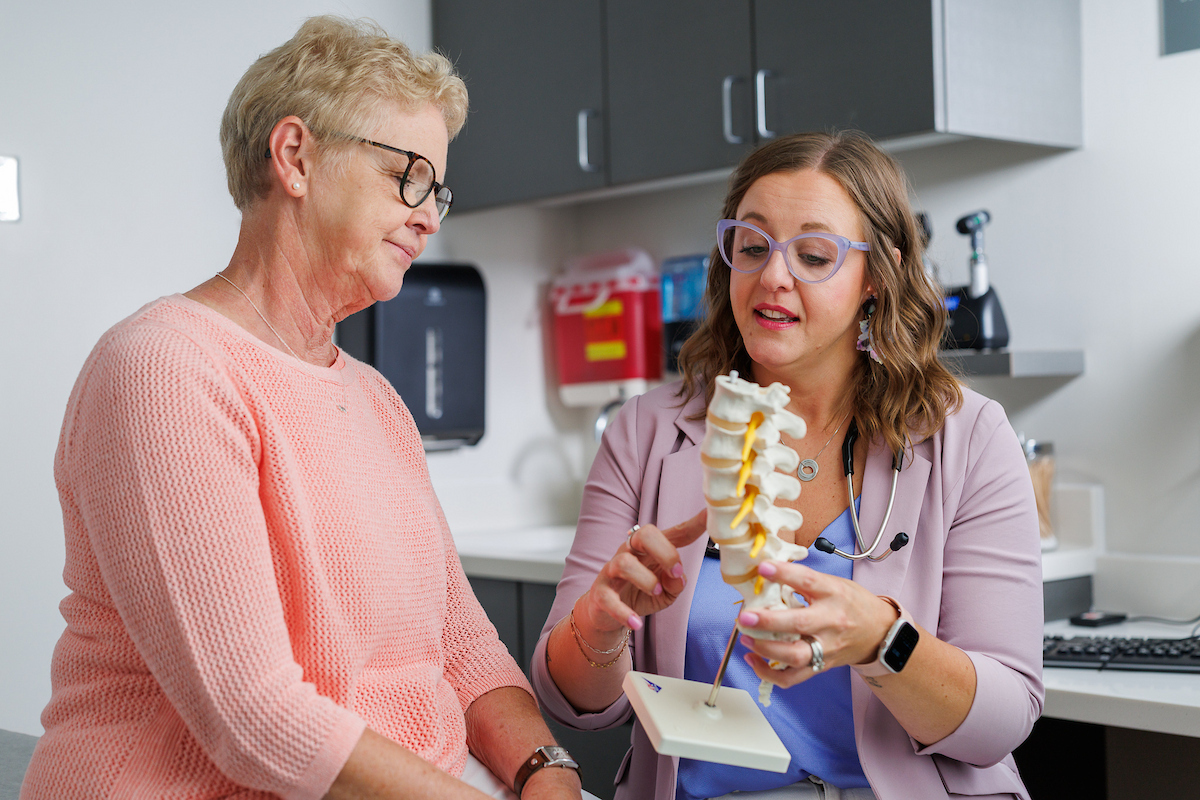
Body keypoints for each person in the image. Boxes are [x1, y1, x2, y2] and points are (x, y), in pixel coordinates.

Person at [22, 17, 582, 800]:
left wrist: (545, 774)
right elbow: (255, 719)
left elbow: (462, 646)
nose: (429, 215)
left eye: (439, 191)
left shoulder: (377, 398)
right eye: (408, 176)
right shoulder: (165, 369)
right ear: (296, 156)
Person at [531, 131, 1044, 800]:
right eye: (752, 246)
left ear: (876, 277)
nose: (774, 275)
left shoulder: (967, 437)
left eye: (813, 254)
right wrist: (598, 626)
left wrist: (881, 642)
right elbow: (571, 702)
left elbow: (1001, 721)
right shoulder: (645, 433)